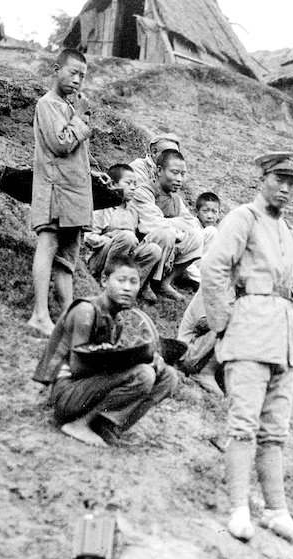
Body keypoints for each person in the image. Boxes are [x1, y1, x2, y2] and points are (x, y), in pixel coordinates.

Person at [200, 150, 293, 547]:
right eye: (279, 179)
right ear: (262, 178)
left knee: (275, 432)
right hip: (248, 331)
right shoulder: (243, 218)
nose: (285, 188)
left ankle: (277, 511)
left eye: (292, 182)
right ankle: (239, 509)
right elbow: (214, 269)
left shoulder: (291, 233)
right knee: (243, 424)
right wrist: (226, 322)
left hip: (283, 338)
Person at [32, 253, 178, 447]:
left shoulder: (116, 319)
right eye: (121, 280)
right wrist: (136, 360)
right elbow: (77, 367)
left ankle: (108, 425)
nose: (127, 288)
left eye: (134, 282)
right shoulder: (86, 310)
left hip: (84, 390)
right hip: (66, 393)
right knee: (144, 375)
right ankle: (79, 424)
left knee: (169, 377)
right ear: (104, 281)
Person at [26, 48, 93, 337]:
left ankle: (68, 319)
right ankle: (40, 315)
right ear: (56, 69)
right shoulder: (47, 104)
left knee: (67, 260)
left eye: (83, 76)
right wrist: (80, 119)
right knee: (48, 245)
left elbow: (75, 151)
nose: (78, 80)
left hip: (75, 192)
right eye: (73, 72)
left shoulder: (68, 108)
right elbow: (61, 143)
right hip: (54, 188)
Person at [130, 148, 203, 301]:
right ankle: (144, 284)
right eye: (174, 172)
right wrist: (177, 228)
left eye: (182, 174)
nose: (179, 179)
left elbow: (191, 223)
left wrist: (171, 225)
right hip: (141, 249)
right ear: (159, 170)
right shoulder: (144, 191)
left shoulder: (175, 198)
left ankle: (164, 283)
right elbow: (152, 224)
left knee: (196, 237)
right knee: (165, 234)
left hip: (167, 242)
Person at [83, 163, 164, 301]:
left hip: (125, 254)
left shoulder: (132, 210)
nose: (133, 187)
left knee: (154, 249)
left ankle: (133, 289)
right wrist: (112, 239)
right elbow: (88, 237)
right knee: (127, 237)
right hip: (100, 259)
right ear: (114, 184)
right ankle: (107, 282)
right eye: (128, 183)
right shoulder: (103, 207)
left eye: (135, 184)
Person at [175, 290, 222, 395]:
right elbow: (201, 324)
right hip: (189, 352)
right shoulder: (211, 287)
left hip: (203, 349)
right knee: (231, 322)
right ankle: (206, 373)